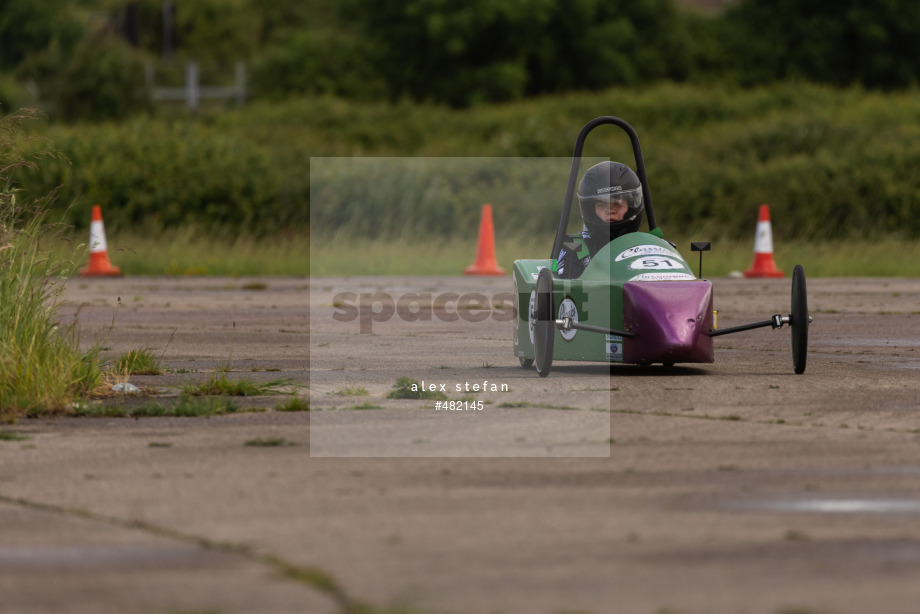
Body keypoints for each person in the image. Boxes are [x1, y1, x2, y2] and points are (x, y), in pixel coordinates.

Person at [555, 160, 645, 279]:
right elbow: (569, 293)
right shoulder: (575, 249)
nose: (610, 210)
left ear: (631, 207)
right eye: (602, 205)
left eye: (617, 204)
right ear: (592, 211)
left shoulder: (653, 246)